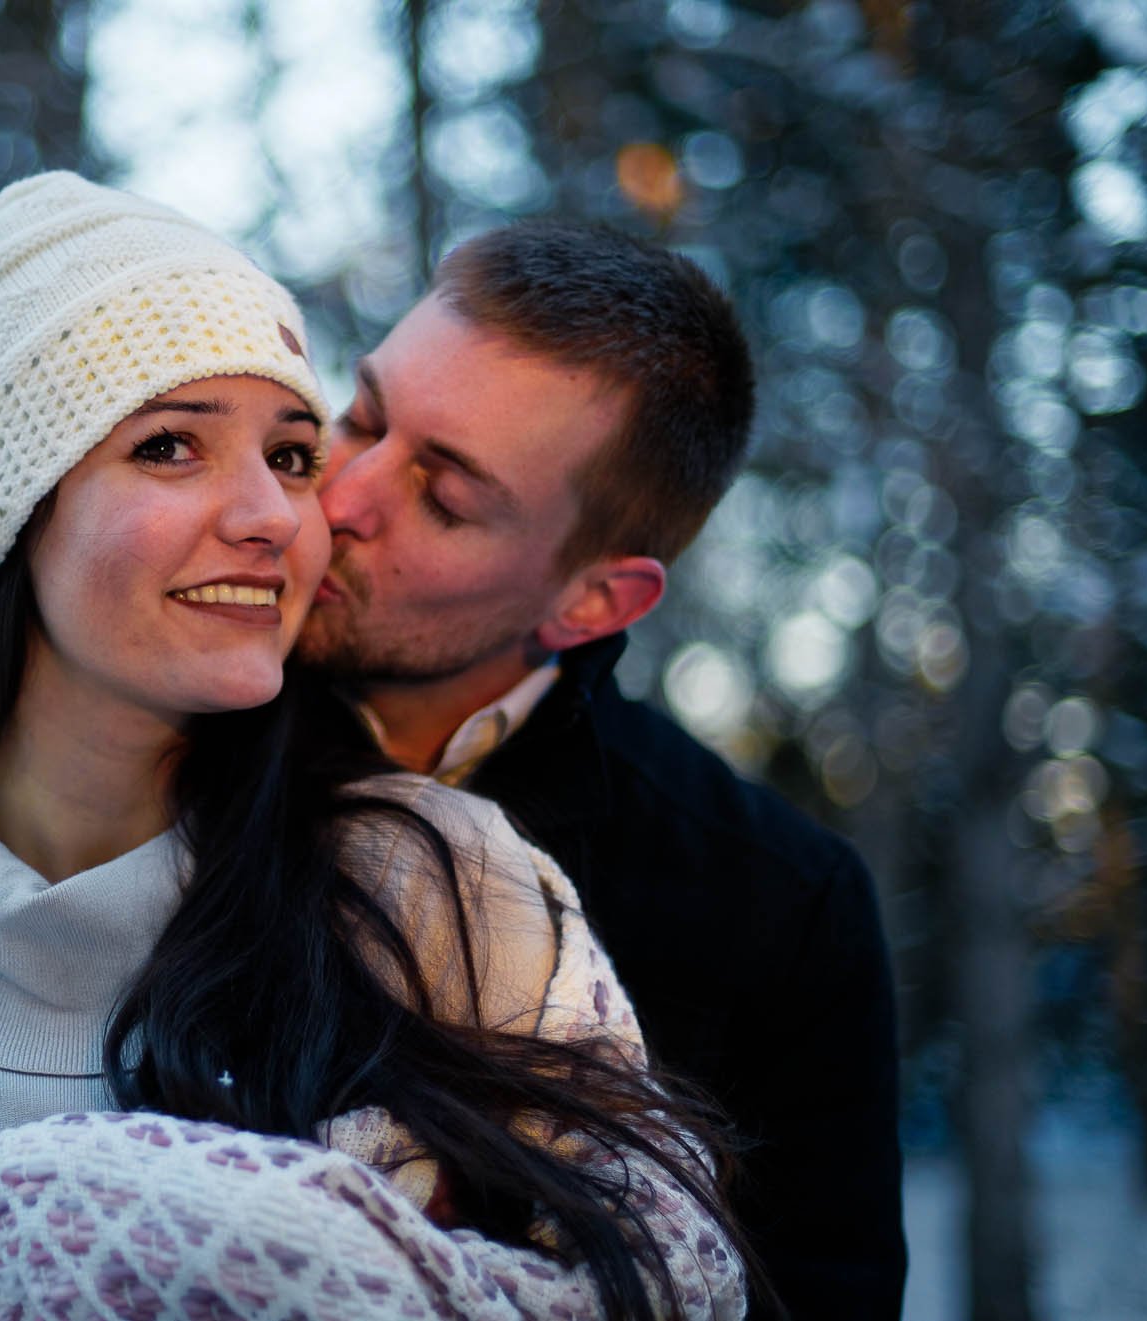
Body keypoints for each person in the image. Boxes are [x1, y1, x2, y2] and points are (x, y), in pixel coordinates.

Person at [0, 175, 747, 1320]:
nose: (280, 516)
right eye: (170, 447)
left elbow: (654, 1281)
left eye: (289, 453)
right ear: (11, 514)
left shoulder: (444, 889)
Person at [297, 219, 907, 1318]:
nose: (340, 497)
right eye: (363, 416)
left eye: (443, 497)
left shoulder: (774, 907)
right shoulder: (163, 721)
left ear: (592, 601)